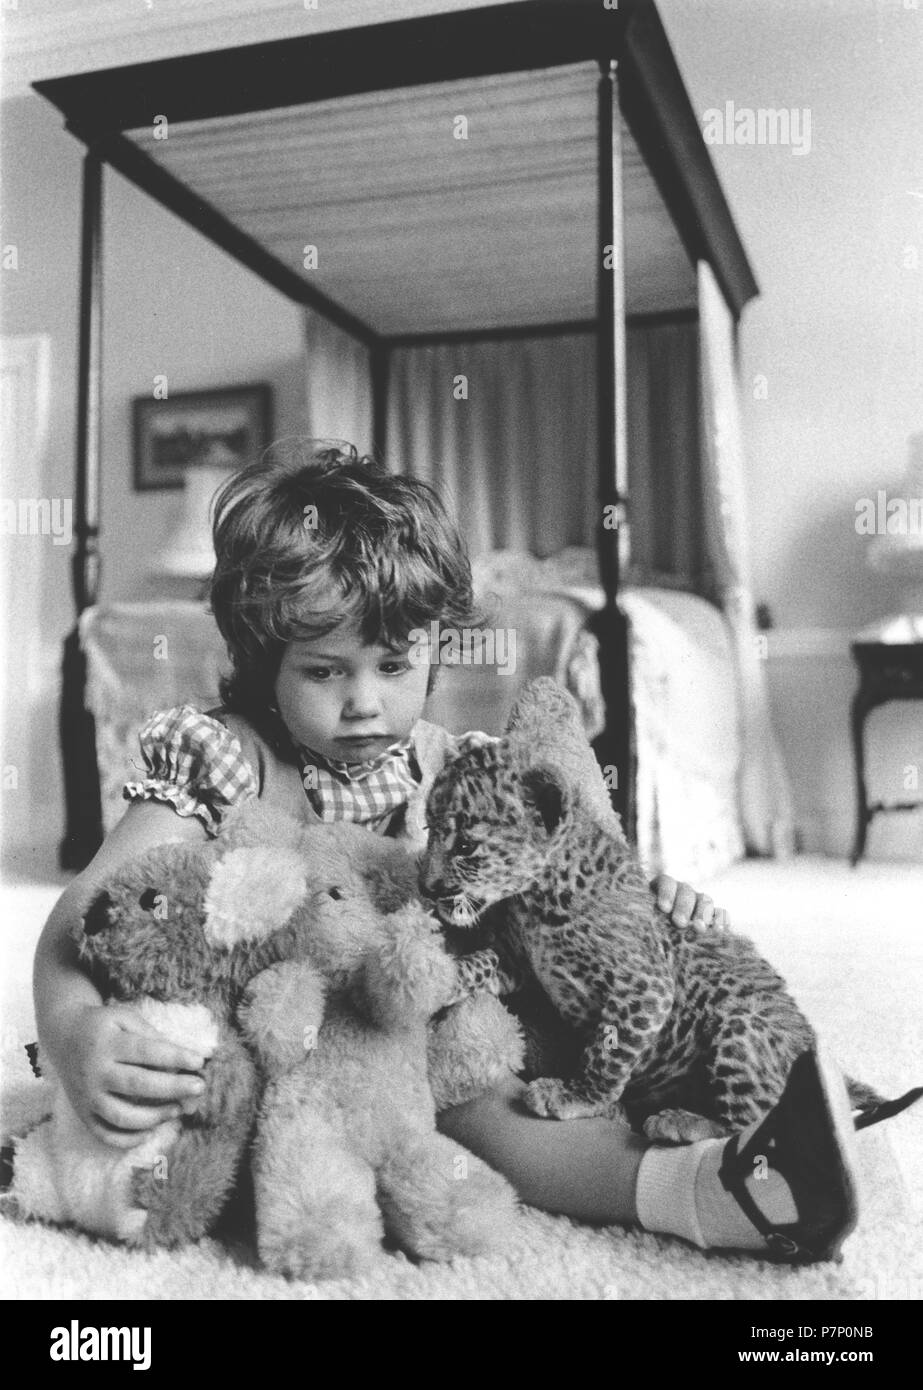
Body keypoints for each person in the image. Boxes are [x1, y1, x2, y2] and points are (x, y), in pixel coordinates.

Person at [32, 442, 859, 1264]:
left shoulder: (457, 769)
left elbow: (571, 889)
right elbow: (81, 922)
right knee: (457, 1105)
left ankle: (736, 1165)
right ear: (261, 657)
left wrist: (658, 903)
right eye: (324, 672)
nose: (364, 702)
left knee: (510, 1079)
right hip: (286, 1038)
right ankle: (701, 1194)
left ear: (434, 646)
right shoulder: (223, 756)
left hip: (428, 1028)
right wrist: (75, 1039)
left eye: (394, 664)